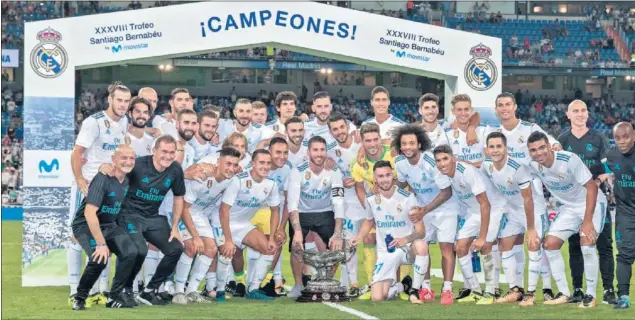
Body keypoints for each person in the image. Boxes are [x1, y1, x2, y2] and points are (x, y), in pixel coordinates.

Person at [110, 135, 195, 306]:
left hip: (152, 216)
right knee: (138, 249)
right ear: (154, 151)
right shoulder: (139, 165)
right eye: (164, 151)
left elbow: (179, 198)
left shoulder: (175, 169)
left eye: (172, 152)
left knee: (175, 248)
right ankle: (121, 291)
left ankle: (149, 291)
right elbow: (116, 175)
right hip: (129, 214)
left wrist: (174, 227)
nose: (168, 156)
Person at [526, 131, 606, 308]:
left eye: (541, 147)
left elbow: (591, 187)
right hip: (569, 208)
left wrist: (587, 220)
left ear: (549, 145)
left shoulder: (569, 160)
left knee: (587, 242)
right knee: (549, 244)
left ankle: (590, 295)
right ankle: (564, 293)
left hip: (591, 201)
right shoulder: (532, 165)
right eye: (533, 150)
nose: (538, 153)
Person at [68, 82, 131, 305]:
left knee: (104, 234)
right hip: (89, 186)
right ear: (110, 100)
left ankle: (101, 288)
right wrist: (80, 179)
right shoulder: (93, 122)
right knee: (78, 237)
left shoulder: (124, 121)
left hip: (109, 186)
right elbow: (77, 153)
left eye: (126, 101)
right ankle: (74, 288)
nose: (123, 105)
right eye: (119, 100)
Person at [482, 132, 552, 306]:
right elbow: (475, 166)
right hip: (514, 211)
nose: (496, 150)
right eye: (492, 147)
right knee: (504, 245)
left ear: (506, 148)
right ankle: (515, 290)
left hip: (534, 211)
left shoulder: (517, 167)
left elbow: (528, 199)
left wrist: (530, 229)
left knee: (534, 245)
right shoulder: (487, 166)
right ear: (487, 149)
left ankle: (531, 294)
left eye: (499, 146)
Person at [557, 100, 616, 305]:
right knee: (575, 245)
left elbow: (611, 167)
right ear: (568, 115)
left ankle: (609, 290)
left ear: (587, 113)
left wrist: (598, 180)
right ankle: (578, 289)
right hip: (573, 202)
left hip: (597, 198)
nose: (580, 114)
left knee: (604, 244)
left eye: (583, 110)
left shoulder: (599, 137)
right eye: (576, 111)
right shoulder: (563, 139)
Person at [433, 145, 508, 305]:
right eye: (438, 160)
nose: (441, 164)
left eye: (445, 159)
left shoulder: (467, 172)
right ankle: (475, 290)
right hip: (474, 211)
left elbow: (485, 204)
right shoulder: (442, 175)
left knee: (486, 246)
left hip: (493, 208)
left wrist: (481, 237)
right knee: (460, 247)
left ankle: (490, 292)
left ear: (453, 158)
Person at [71, 145, 141, 310]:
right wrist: (101, 244)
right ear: (113, 160)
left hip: (109, 225)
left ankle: (114, 296)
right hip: (86, 225)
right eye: (123, 158)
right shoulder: (103, 178)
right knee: (99, 258)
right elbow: (89, 213)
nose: (128, 161)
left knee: (131, 252)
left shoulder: (130, 178)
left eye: (131, 158)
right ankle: (79, 297)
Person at [392, 124, 456, 304]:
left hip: (446, 209)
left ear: (419, 145)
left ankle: (447, 289)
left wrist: (424, 210)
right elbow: (401, 185)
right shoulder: (400, 163)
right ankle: (426, 287)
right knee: (422, 248)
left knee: (446, 249)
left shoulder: (430, 161)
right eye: (404, 143)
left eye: (411, 143)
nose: (407, 147)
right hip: (423, 210)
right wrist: (386, 191)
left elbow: (447, 192)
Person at [349, 161, 428, 302]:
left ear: (393, 176)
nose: (384, 179)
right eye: (380, 176)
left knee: (421, 245)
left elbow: (421, 231)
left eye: (387, 175)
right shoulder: (371, 200)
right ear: (375, 178)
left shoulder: (407, 197)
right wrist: (359, 237)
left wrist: (406, 240)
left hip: (406, 249)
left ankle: (415, 291)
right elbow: (369, 220)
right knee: (378, 298)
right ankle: (402, 286)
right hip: (386, 252)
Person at [172, 147, 241, 305]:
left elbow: (224, 210)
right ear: (218, 162)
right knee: (191, 246)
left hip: (200, 214)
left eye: (235, 165)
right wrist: (196, 237)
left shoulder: (233, 180)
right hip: (182, 210)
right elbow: (185, 208)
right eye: (228, 163)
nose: (231, 168)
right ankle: (178, 291)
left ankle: (192, 291)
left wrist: (228, 240)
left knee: (211, 249)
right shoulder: (203, 176)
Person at [217, 149, 284, 300]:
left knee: (270, 248)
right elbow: (223, 210)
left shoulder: (271, 185)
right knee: (226, 255)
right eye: (261, 162)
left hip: (243, 224)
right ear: (253, 164)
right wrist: (228, 239)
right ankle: (217, 288)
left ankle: (253, 288)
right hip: (223, 223)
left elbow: (275, 211)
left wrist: (272, 237)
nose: (265, 166)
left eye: (268, 163)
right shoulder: (239, 180)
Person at [284, 136, 346, 297]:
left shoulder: (334, 171)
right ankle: (298, 285)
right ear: (308, 152)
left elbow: (338, 202)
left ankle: (325, 283)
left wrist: (338, 233)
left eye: (322, 150)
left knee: (339, 246)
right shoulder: (298, 170)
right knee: (296, 246)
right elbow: (292, 203)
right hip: (302, 213)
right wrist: (297, 230)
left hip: (325, 212)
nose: (319, 154)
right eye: (315, 150)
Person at [351, 122, 398, 299]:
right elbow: (359, 188)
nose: (372, 144)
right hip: (377, 209)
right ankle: (373, 283)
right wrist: (371, 208)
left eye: (375, 139)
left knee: (398, 242)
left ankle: (404, 283)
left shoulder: (392, 153)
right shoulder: (358, 164)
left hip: (399, 207)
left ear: (380, 139)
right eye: (367, 141)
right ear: (362, 142)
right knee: (369, 237)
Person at [246, 137, 293, 297]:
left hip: (269, 212)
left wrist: (281, 227)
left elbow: (288, 201)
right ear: (269, 153)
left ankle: (263, 283)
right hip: (247, 211)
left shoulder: (287, 170)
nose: (282, 156)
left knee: (276, 241)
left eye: (285, 153)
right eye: (278, 152)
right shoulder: (253, 165)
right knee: (235, 247)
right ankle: (231, 282)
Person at [327, 113, 364, 297]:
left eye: (342, 127)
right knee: (349, 245)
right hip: (348, 203)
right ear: (330, 131)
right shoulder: (330, 150)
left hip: (368, 199)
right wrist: (341, 180)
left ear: (348, 126)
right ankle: (351, 283)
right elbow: (329, 174)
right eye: (335, 129)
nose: (340, 132)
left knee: (375, 242)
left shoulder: (362, 141)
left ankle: (379, 282)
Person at [604, 122, 635, 309]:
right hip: (625, 211)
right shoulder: (611, 155)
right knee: (624, 254)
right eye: (617, 138)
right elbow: (606, 171)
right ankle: (623, 296)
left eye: (626, 136)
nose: (622, 141)